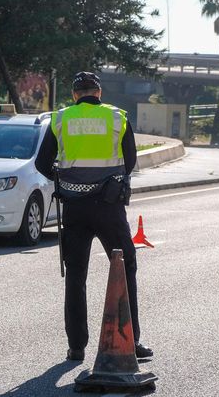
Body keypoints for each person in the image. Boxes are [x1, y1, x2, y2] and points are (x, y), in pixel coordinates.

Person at [35, 71, 152, 362]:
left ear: (75, 95)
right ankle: (132, 342)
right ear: (99, 93)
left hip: (74, 207)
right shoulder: (117, 118)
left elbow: (41, 163)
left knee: (75, 275)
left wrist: (64, 180)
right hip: (109, 206)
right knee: (125, 270)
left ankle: (76, 347)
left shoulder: (60, 119)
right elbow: (130, 162)